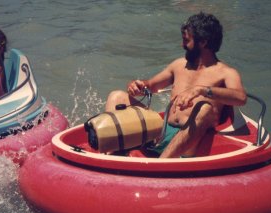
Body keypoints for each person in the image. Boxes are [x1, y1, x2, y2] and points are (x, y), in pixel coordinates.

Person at [105, 12, 247, 158]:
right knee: (117, 97)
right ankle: (110, 157)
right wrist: (136, 85)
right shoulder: (179, 65)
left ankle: (160, 165)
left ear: (203, 42)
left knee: (204, 108)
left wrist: (201, 91)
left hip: (189, 142)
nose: (182, 45)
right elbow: (150, 86)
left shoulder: (226, 72)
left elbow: (241, 98)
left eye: (186, 40)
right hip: (161, 132)